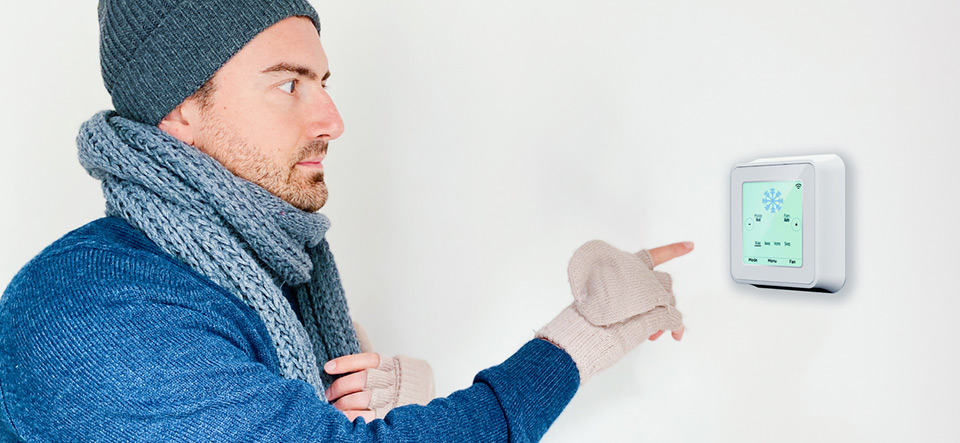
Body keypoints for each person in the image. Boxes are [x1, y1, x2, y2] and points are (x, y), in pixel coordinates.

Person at [0, 1, 690, 441]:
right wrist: (585, 335)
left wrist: (379, 407)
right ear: (180, 106)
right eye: (288, 83)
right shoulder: (94, 310)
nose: (331, 120)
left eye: (323, 84)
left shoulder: (260, 279)